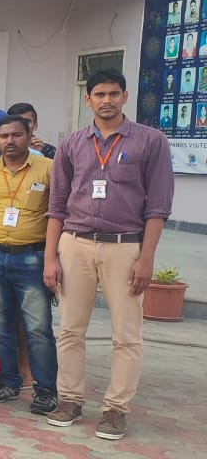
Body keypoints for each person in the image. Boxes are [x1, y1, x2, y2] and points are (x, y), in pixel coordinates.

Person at [43, 70, 173, 440]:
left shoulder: (151, 141)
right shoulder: (71, 143)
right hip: (76, 243)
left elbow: (158, 207)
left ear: (125, 96)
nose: (107, 101)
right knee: (70, 329)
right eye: (99, 94)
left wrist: (146, 258)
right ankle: (70, 399)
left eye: (114, 94)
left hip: (125, 246)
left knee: (126, 334)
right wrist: (51, 257)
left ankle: (115, 409)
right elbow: (56, 206)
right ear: (88, 100)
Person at [0, 115, 58, 414]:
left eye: (16, 135)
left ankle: (46, 389)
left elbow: (58, 215)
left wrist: (54, 258)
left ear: (29, 136)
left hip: (33, 257)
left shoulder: (48, 168)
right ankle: (7, 382)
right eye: (3, 136)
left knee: (38, 328)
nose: (9, 141)